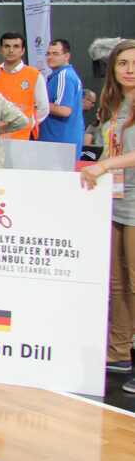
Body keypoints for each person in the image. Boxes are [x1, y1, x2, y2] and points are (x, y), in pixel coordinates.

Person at [79, 39, 135, 389]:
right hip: (112, 201)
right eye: (123, 63)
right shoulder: (115, 105)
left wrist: (104, 165)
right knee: (117, 284)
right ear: (112, 69)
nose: (130, 69)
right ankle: (118, 352)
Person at [0, 32, 48, 141]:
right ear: (1, 50)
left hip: (22, 136)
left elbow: (43, 108)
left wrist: (30, 123)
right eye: (7, 46)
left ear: (23, 50)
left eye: (16, 46)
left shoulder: (34, 76)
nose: (11, 50)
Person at [38, 38, 85, 155]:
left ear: (67, 56)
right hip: (59, 142)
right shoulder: (62, 75)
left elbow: (64, 110)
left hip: (59, 143)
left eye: (55, 54)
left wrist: (37, 103)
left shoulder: (64, 76)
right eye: (48, 54)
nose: (50, 57)